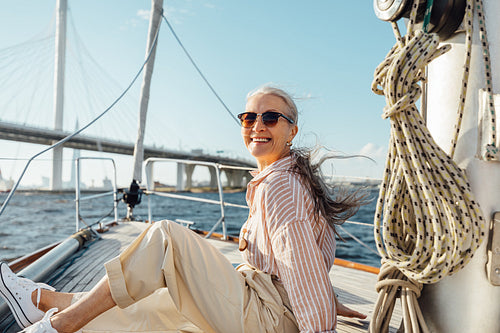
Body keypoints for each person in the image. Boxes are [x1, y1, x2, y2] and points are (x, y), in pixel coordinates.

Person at [0, 85, 367, 333]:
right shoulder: (283, 179)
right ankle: (46, 303)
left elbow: (300, 271)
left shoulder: (281, 187)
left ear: (292, 131)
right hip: (263, 305)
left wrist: (322, 315)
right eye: (248, 118)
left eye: (270, 118)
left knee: (167, 239)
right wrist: (330, 299)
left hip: (269, 319)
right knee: (155, 304)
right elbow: (300, 265)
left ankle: (56, 326)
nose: (257, 125)